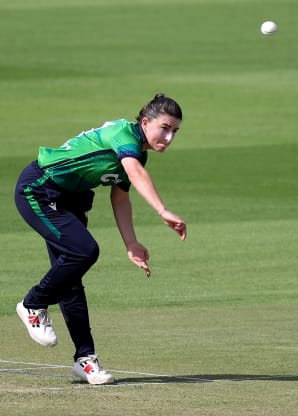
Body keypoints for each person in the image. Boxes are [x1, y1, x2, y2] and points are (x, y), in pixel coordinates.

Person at [14, 93, 187, 385]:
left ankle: (86, 361)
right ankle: (33, 303)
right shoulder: (123, 134)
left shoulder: (137, 150)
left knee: (71, 277)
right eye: (164, 127)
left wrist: (131, 242)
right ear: (145, 122)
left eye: (175, 131)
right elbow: (134, 173)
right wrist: (162, 210)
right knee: (84, 251)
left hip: (71, 200)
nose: (169, 137)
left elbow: (120, 198)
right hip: (40, 190)